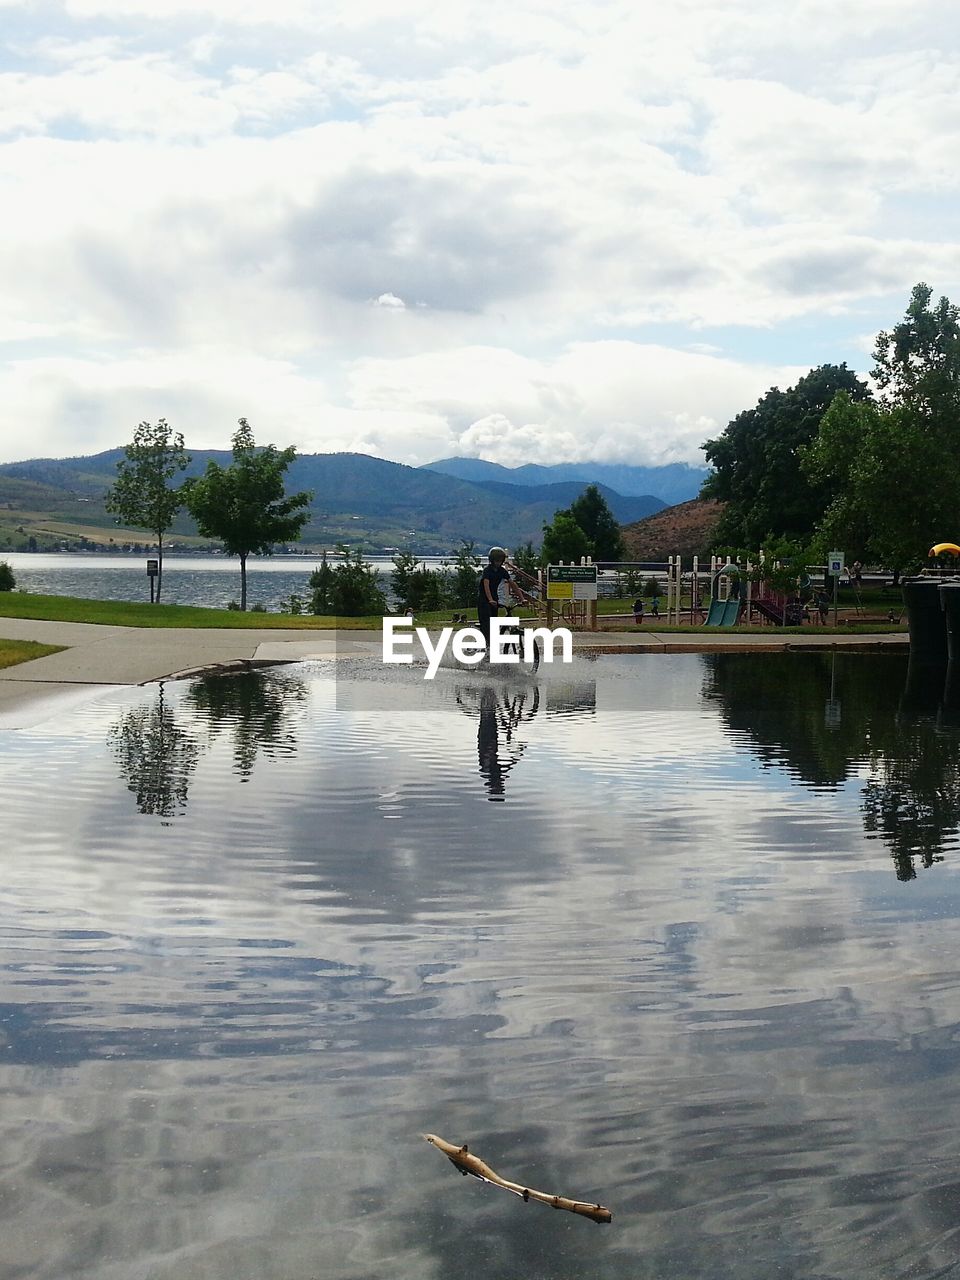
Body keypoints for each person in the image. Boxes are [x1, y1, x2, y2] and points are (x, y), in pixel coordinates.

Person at [476, 547, 527, 648]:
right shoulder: (487, 571)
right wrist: (490, 599)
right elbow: (486, 585)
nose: (498, 563)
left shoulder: (502, 571)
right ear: (492, 560)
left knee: (494, 625)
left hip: (494, 600)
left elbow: (513, 584)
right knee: (487, 625)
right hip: (484, 601)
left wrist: (522, 598)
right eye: (496, 560)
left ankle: (491, 647)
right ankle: (487, 648)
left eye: (500, 561)